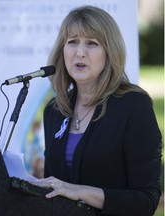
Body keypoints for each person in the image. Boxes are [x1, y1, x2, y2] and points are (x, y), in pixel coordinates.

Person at [32, 5, 162, 216]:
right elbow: (53, 188)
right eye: (72, 42)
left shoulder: (134, 106)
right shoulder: (54, 110)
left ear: (109, 53)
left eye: (91, 44)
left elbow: (145, 201)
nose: (80, 53)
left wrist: (79, 192)